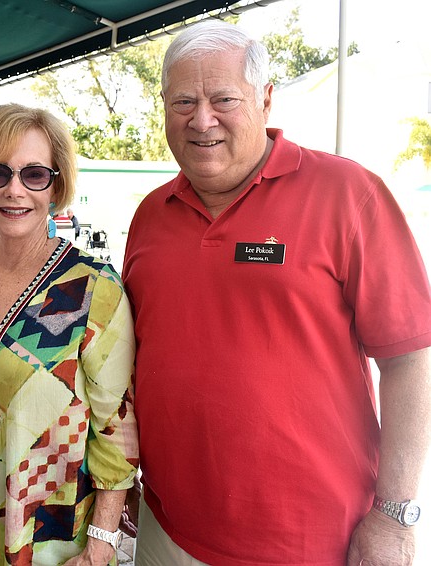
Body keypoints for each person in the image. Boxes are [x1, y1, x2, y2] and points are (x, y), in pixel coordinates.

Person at [122, 19, 431, 566]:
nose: (202, 120)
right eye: (183, 102)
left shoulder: (347, 195)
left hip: (311, 541)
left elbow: (410, 359)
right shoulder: (150, 214)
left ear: (265, 100)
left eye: (223, 99)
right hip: (167, 531)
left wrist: (396, 514)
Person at [0, 103, 138, 565]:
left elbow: (117, 432)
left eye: (34, 175)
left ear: (57, 185)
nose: (14, 190)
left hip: (57, 546)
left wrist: (101, 547)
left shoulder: (92, 288)